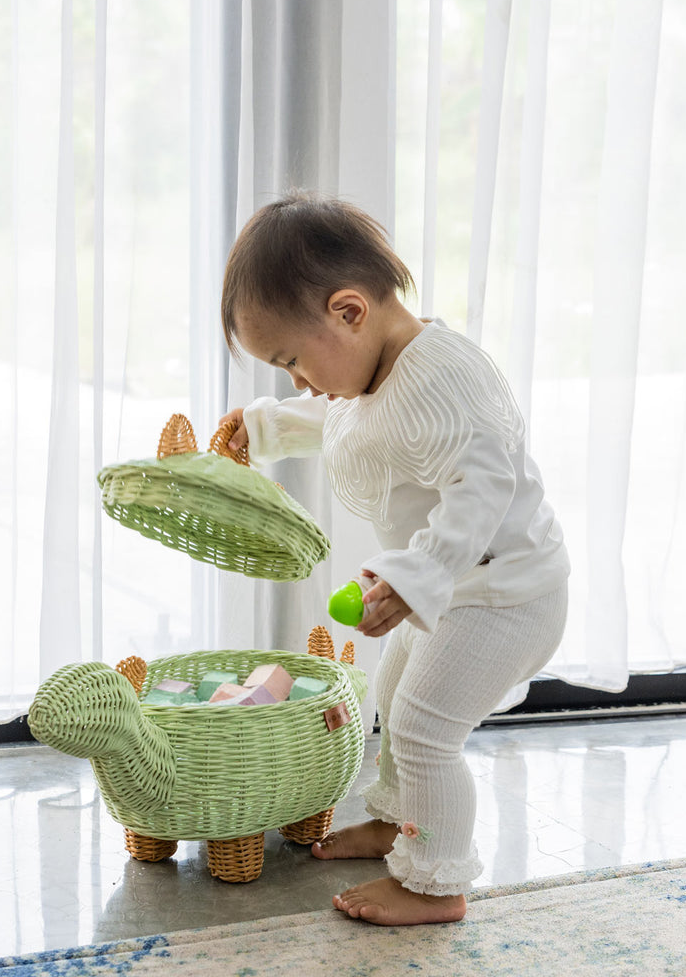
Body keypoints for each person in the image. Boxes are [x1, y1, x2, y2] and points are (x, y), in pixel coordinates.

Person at [219, 192, 569, 926]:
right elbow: (347, 417)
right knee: (391, 694)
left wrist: (415, 580)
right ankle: (398, 826)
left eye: (290, 360)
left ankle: (434, 884)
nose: (298, 381)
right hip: (456, 584)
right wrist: (265, 427)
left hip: (507, 594)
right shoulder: (374, 369)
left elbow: (482, 490)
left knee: (425, 729)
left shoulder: (443, 380)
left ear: (349, 312)